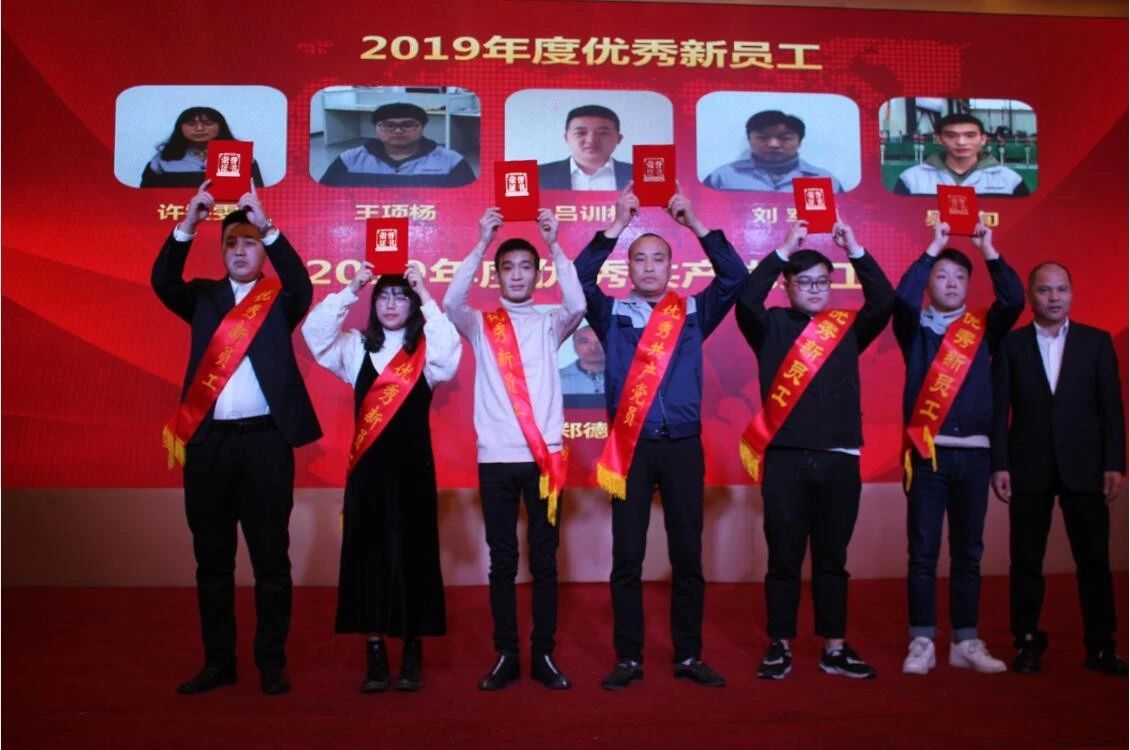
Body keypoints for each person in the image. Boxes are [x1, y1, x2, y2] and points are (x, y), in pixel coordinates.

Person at [574, 182, 746, 690]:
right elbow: (578, 279)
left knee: (687, 556)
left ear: (672, 267)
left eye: (658, 259)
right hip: (630, 449)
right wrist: (617, 225)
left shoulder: (693, 312)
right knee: (627, 557)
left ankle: (689, 655)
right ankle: (628, 658)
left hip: (683, 447)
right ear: (628, 268)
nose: (649, 267)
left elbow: (735, 277)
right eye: (640, 259)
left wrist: (694, 223)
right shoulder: (611, 315)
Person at [152, 180, 321, 695]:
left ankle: (271, 662)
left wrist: (267, 225)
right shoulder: (202, 298)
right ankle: (219, 662)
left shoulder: (280, 301)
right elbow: (163, 281)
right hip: (210, 446)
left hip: (266, 445)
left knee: (271, 560)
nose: (241, 250)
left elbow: (303, 284)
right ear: (221, 251)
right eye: (231, 243)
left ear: (261, 251)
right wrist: (188, 222)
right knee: (213, 562)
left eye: (249, 242)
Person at [735, 218, 894, 680]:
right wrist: (782, 251)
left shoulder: (847, 328)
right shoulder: (770, 325)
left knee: (832, 558)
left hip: (840, 458)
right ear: (787, 286)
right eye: (804, 282)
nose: (814, 289)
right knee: (784, 557)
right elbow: (745, 300)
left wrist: (855, 249)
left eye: (822, 282)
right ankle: (779, 644)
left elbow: (884, 301)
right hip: (785, 458)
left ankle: (835, 647)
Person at [443, 207, 586, 691]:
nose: (518, 275)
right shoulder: (480, 324)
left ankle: (543, 653)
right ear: (497, 276)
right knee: (502, 561)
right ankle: (506, 653)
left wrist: (554, 244)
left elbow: (578, 303)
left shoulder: (550, 323)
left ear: (538, 275)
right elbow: (451, 300)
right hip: (496, 459)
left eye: (527, 267)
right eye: (508, 268)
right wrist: (482, 242)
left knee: (544, 560)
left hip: (544, 458)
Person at [301, 265, 462, 692]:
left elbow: (452, 355)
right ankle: (374, 651)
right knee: (368, 556)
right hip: (368, 471)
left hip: (414, 472)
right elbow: (314, 335)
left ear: (412, 306)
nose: (392, 304)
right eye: (383, 296)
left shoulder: (426, 351)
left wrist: (426, 294)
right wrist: (352, 287)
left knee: (413, 557)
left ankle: (411, 649)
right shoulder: (355, 348)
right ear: (373, 305)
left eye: (401, 296)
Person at [893, 220, 1023, 675]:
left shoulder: (983, 328)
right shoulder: (915, 329)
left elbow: (1014, 300)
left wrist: (989, 251)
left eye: (959, 277)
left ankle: (965, 641)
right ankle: (922, 640)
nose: (950, 283)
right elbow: (901, 300)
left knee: (969, 554)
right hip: (927, 454)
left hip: (975, 456)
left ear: (969, 285)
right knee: (923, 553)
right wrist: (932, 248)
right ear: (930, 284)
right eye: (942, 276)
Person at [991, 262, 1127, 676]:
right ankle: (1027, 643)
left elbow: (1112, 408)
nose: (1054, 297)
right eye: (1045, 290)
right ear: (1030, 295)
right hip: (1027, 466)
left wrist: (1115, 463)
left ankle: (1101, 647)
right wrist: (1000, 464)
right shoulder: (1011, 345)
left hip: (1085, 467)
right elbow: (999, 411)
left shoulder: (1096, 342)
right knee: (1026, 561)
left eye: (1062, 289)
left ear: (1071, 293)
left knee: (1094, 561)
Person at [319, 102, 475, 187]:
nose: (398, 131)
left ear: (423, 127)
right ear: (375, 127)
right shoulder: (349, 160)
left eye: (408, 125)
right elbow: (325, 198)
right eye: (388, 125)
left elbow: (467, 204)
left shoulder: (451, 161)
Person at [703, 110, 843, 193]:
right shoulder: (723, 176)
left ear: (800, 142)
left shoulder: (823, 180)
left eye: (784, 138)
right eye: (763, 137)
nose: (773, 144)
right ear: (749, 139)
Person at [894, 113, 1029, 196]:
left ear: (983, 139)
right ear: (939, 139)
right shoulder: (911, 179)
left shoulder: (1010, 180)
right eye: (951, 136)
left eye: (970, 135)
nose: (961, 142)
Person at [140, 106, 265, 189]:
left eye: (208, 123)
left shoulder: (241, 158)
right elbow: (146, 198)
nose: (199, 128)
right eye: (191, 124)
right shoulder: (162, 160)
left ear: (220, 127)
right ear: (180, 128)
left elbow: (259, 195)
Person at [538, 105, 632, 191]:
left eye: (603, 133)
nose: (591, 140)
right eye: (581, 133)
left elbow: (637, 205)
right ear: (566, 138)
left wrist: (630, 207)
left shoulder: (637, 174)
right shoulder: (537, 175)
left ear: (618, 138)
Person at [559, 325, 606, 396]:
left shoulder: (624, 379)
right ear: (574, 345)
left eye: (601, 340)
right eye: (584, 341)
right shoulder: (555, 380)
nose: (593, 347)